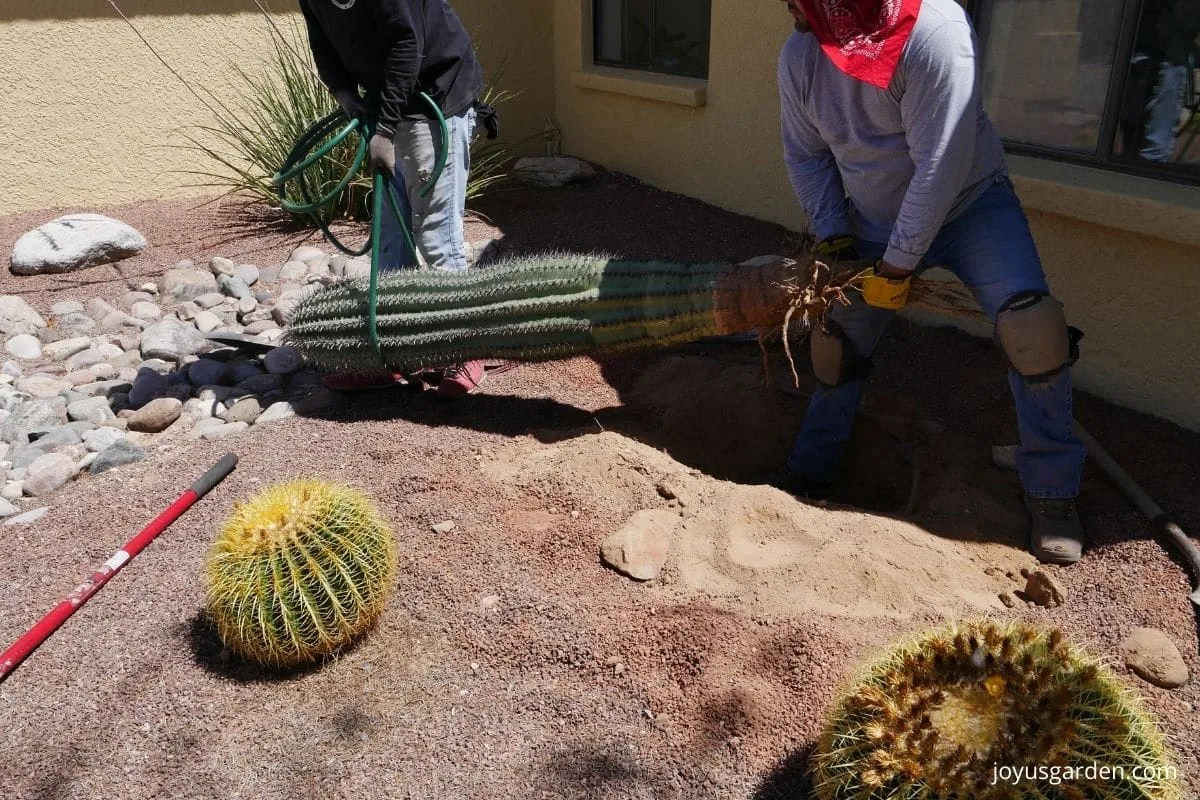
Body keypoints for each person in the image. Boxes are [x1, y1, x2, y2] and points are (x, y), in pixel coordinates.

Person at [762, 0, 1090, 564]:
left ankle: (1052, 491)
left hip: (969, 206)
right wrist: (835, 238)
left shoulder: (932, 33)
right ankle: (813, 468)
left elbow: (941, 166)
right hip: (868, 221)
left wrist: (897, 266)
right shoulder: (801, 55)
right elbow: (806, 156)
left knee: (1032, 329)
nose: (789, 5)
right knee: (834, 344)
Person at [298, 0, 499, 399]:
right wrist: (343, 94)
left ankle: (466, 351)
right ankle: (395, 355)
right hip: (387, 97)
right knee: (391, 240)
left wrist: (386, 129)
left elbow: (408, 42)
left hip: (436, 97)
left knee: (436, 234)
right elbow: (321, 39)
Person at [1119, 0, 1200, 162]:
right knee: (1154, 150)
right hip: (1165, 55)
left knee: (1134, 143)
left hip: (1143, 50)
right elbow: (1186, 18)